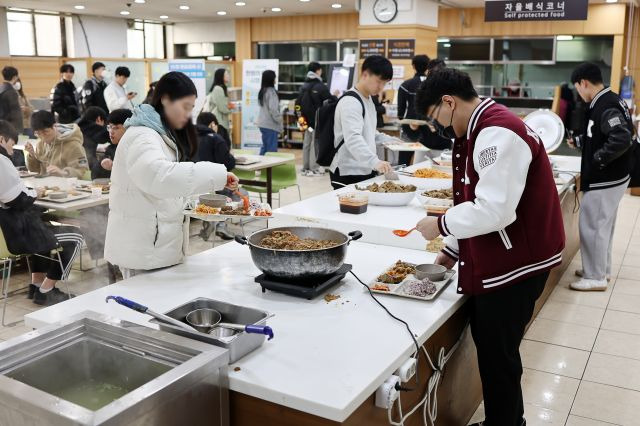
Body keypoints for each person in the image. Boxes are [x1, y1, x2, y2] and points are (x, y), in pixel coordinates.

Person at [414, 67, 565, 426]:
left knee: (499, 352)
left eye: (438, 119)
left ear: (449, 102)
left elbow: (494, 209)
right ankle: (509, 421)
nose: (442, 128)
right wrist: (451, 249)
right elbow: (473, 194)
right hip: (512, 252)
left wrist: (440, 224)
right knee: (493, 343)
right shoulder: (485, 125)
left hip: (519, 260)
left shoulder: (497, 133)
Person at [104, 71, 237, 276]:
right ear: (165, 100)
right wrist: (217, 174)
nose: (187, 115)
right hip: (144, 251)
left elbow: (162, 187)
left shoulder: (156, 133)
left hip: (153, 246)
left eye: (191, 109)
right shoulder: (143, 136)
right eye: (185, 107)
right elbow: (159, 177)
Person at [568, 62, 635, 291]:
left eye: (577, 87)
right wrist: (581, 143)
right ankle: (600, 270)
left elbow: (620, 138)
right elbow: (600, 133)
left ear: (583, 83)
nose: (578, 92)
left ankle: (594, 277)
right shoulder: (609, 100)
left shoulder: (605, 105)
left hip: (605, 177)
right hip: (613, 177)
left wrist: (597, 159)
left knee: (593, 226)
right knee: (603, 226)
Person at [0, 120, 82, 306]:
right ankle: (47, 290)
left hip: (7, 233)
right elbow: (16, 200)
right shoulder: (1, 160)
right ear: (1, 139)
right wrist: (35, 193)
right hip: (16, 234)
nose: (12, 150)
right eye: (11, 145)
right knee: (76, 237)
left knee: (40, 226)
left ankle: (36, 285)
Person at [329, 55, 395, 189]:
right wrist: (375, 162)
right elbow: (353, 138)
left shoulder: (367, 99)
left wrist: (390, 140)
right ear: (365, 74)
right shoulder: (351, 102)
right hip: (348, 172)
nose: (381, 87)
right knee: (351, 209)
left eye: (385, 83)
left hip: (364, 168)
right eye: (379, 81)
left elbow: (368, 131)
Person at [195, 111, 239, 241]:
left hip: (195, 185)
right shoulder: (216, 138)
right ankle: (220, 224)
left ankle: (209, 220)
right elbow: (228, 163)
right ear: (212, 124)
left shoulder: (189, 137)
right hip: (214, 183)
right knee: (235, 193)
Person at [25, 110, 89, 178]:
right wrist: (32, 155)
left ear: (54, 126)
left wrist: (63, 173)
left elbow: (83, 172)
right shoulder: (40, 144)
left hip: (67, 187)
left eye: (45, 132)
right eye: (38, 133)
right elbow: (36, 170)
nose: (43, 137)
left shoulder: (73, 145)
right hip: (46, 186)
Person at [297, 62, 334, 176]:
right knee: (315, 143)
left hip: (303, 119)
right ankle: (314, 168)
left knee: (307, 142)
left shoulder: (304, 86)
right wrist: (336, 95)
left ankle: (305, 167)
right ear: (318, 71)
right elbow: (331, 100)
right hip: (315, 120)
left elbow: (298, 103)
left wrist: (300, 120)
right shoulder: (320, 86)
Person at [93, 108, 132, 180]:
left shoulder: (134, 149)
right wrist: (103, 164)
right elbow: (95, 178)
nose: (111, 131)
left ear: (128, 128)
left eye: (116, 128)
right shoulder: (111, 148)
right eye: (109, 127)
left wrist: (115, 168)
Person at [398, 54, 430, 142]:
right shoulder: (433, 84)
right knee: (427, 154)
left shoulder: (405, 85)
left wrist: (401, 118)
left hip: (409, 122)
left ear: (413, 66)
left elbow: (401, 108)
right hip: (428, 124)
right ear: (427, 67)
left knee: (405, 153)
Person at [77, 106, 110, 180]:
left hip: (74, 165)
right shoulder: (94, 127)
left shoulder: (77, 125)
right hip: (87, 167)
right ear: (99, 119)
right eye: (104, 122)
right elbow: (109, 137)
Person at [256, 70, 282, 155]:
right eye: (274, 77)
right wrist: (280, 119)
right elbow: (273, 109)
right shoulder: (271, 92)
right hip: (270, 125)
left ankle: (260, 167)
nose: (275, 79)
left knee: (265, 147)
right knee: (271, 151)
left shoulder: (263, 91)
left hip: (263, 124)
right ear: (271, 79)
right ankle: (270, 168)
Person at [203, 69, 232, 137]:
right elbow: (222, 108)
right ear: (221, 76)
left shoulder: (221, 88)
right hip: (219, 122)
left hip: (221, 121)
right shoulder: (218, 89)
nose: (228, 76)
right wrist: (232, 108)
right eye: (226, 74)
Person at [0, 66, 23, 133]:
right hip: (9, 128)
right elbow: (16, 114)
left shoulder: (1, 89)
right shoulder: (11, 92)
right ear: (15, 77)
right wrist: (19, 131)